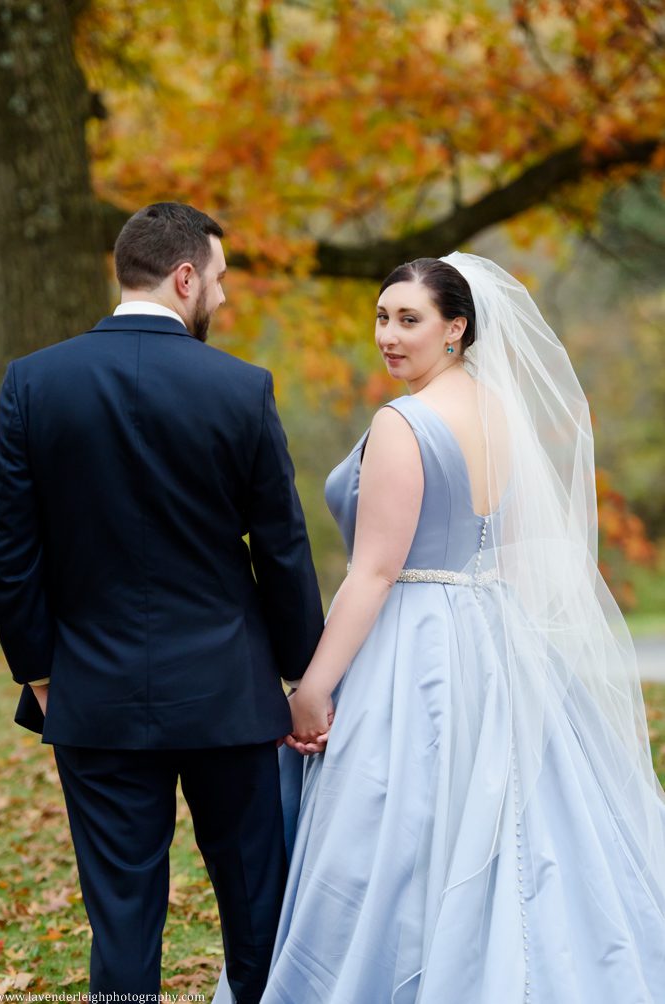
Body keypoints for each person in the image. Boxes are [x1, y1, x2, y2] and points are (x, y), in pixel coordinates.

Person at [216, 253, 665, 1003]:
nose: (389, 336)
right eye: (383, 317)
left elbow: (373, 573)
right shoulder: (498, 410)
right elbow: (513, 543)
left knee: (400, 823)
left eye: (410, 320)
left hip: (415, 641)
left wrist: (313, 689)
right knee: (516, 817)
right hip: (495, 629)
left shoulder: (405, 422)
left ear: (456, 328)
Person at [0, 202, 324, 1003]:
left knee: (122, 918)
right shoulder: (242, 389)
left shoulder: (31, 383)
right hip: (230, 699)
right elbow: (280, 549)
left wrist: (40, 671)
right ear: (184, 278)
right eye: (217, 281)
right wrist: (304, 677)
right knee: (256, 907)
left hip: (93, 694)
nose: (221, 298)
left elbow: (11, 551)